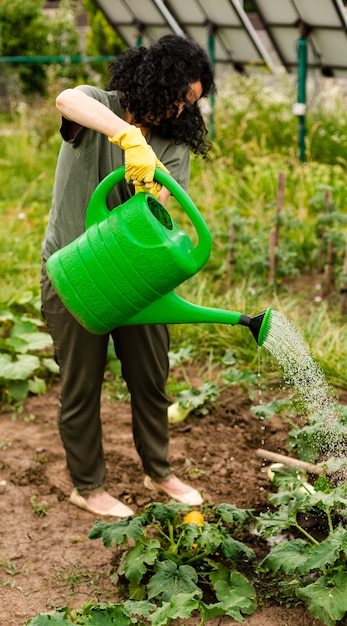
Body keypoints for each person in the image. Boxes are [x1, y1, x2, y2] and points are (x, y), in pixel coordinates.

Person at [40, 34, 215, 518]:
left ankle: (158, 470)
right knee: (81, 384)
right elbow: (66, 98)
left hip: (136, 276)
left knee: (151, 377)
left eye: (192, 105)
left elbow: (157, 211)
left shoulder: (174, 143)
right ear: (156, 81)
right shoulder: (98, 107)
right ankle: (87, 485)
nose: (183, 112)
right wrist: (128, 136)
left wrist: (150, 190)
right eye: (181, 98)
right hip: (74, 272)